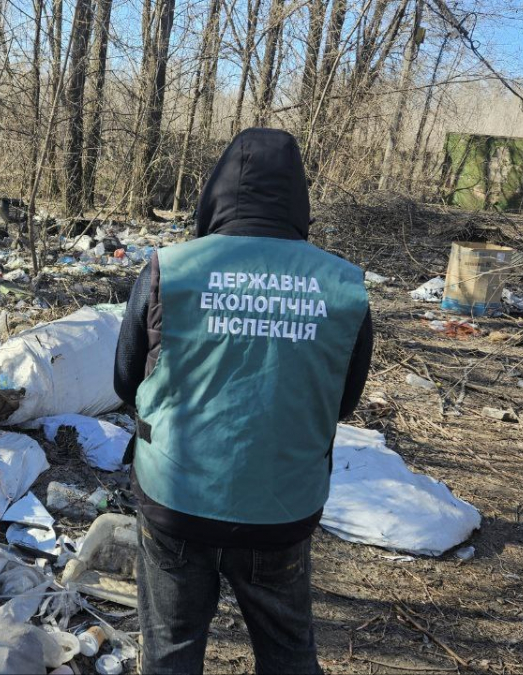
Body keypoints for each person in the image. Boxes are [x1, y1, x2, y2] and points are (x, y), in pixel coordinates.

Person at [113, 128, 373, 675]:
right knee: (288, 656)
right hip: (282, 507)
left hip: (174, 499)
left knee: (170, 654)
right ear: (299, 201)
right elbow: (343, 402)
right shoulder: (343, 286)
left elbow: (123, 379)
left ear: (215, 194)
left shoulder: (170, 268)